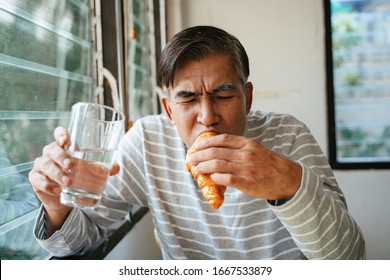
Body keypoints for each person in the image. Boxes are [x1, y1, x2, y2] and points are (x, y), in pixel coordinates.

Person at [29, 25, 365, 259]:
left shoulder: (289, 135)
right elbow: (77, 242)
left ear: (247, 97)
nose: (207, 116)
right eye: (188, 99)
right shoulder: (147, 141)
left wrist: (287, 183)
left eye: (223, 94)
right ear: (169, 109)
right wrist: (57, 206)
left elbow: (349, 258)